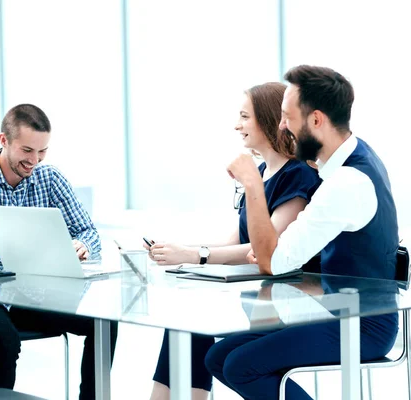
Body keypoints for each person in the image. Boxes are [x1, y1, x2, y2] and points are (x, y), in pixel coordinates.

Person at [205, 65, 399, 400]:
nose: (281, 127)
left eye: (287, 117)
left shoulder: (345, 183)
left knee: (240, 366)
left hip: (361, 325)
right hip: (336, 311)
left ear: (316, 121)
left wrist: (253, 184)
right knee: (219, 357)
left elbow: (271, 262)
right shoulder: (351, 158)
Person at [145, 82, 321, 400]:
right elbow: (235, 240)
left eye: (244, 116)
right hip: (259, 299)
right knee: (186, 315)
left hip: (289, 305)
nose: (236, 125)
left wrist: (194, 254)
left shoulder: (298, 176)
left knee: (194, 321)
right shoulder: (263, 172)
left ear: (268, 121)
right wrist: (179, 250)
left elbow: (264, 248)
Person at [0, 103, 118, 400]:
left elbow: (89, 232)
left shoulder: (49, 178)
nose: (34, 160)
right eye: (27, 151)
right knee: (4, 339)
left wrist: (81, 245)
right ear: (4, 141)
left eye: (42, 152)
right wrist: (25, 255)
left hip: (29, 298)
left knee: (103, 323)